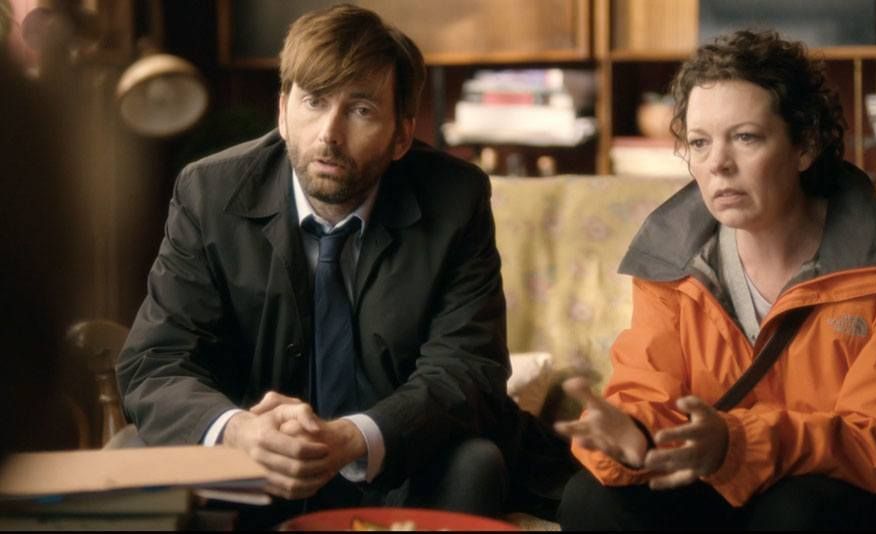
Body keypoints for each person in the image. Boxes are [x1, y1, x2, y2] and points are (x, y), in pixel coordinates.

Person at [117, 4, 572, 527]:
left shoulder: (454, 198)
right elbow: (155, 361)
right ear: (282, 111)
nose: (329, 134)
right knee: (133, 453)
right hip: (247, 468)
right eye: (314, 102)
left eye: (361, 110)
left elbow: (468, 367)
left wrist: (355, 437)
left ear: (401, 135)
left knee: (474, 462)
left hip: (395, 464)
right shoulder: (209, 193)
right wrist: (236, 430)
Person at [555, 29, 876, 530]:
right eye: (699, 143)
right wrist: (636, 436)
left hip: (856, 495)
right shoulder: (670, 257)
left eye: (745, 137)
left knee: (795, 515)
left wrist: (739, 442)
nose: (718, 165)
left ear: (805, 145)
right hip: (718, 477)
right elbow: (647, 393)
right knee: (590, 500)